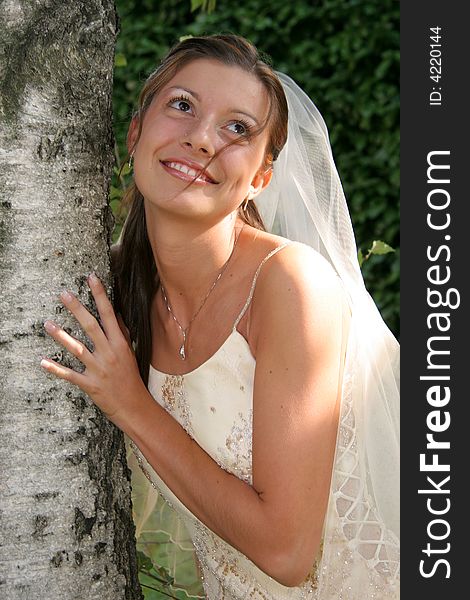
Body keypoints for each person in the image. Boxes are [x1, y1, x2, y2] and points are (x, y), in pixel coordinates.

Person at [41, 34, 400, 599]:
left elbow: (287, 551)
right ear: (136, 132)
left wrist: (132, 403)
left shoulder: (288, 285)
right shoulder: (113, 291)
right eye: (182, 105)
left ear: (261, 177)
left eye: (237, 129)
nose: (202, 138)